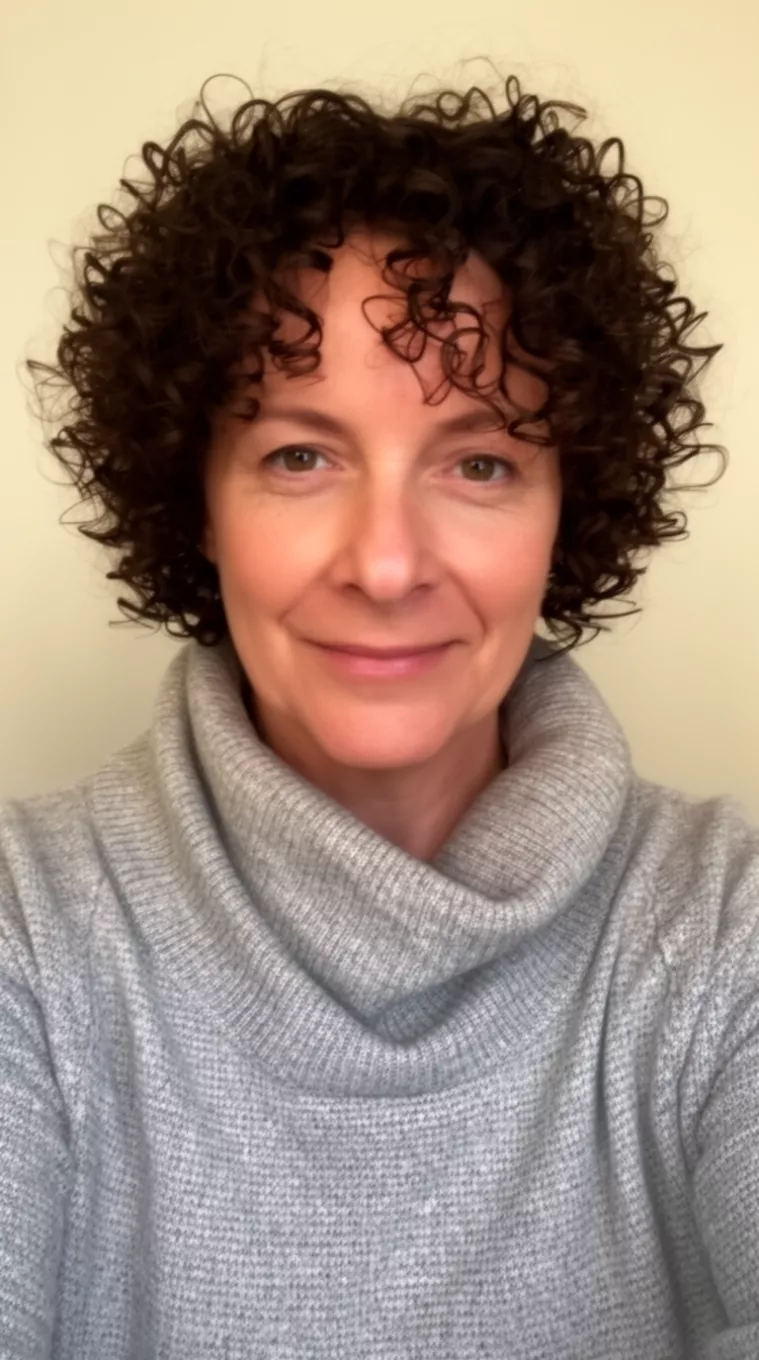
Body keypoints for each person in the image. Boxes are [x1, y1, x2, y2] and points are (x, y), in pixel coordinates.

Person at [3, 70, 758, 1360]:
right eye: (301, 455)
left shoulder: (723, 927)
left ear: (570, 508)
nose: (390, 563)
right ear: (198, 501)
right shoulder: (28, 933)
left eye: (480, 461)